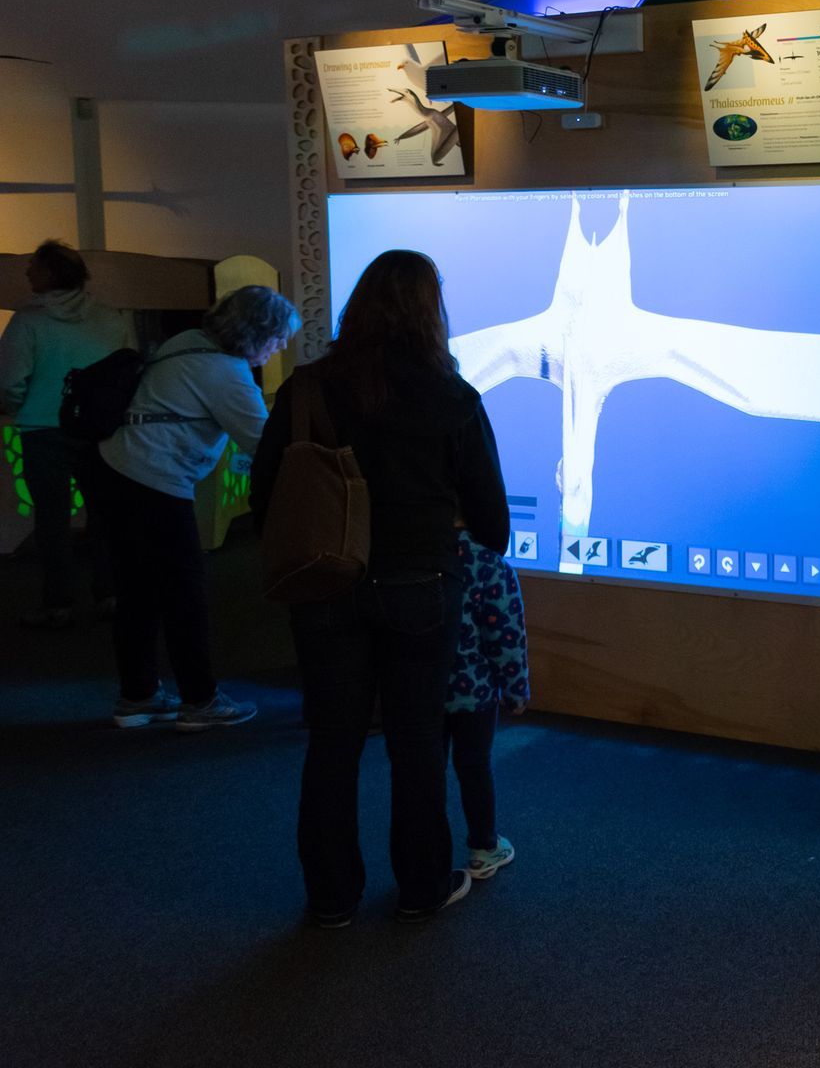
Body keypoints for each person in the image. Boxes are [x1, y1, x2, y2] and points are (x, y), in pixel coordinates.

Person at [251, 250, 509, 926]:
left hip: (324, 583)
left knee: (332, 742)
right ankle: (423, 886)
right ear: (431, 310)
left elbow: (263, 495)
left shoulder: (307, 387)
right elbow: (495, 525)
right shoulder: (453, 396)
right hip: (422, 585)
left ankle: (331, 899)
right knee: (417, 741)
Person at [96, 284, 297, 731]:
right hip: (155, 480)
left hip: (117, 469)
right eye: (279, 336)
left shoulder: (186, 343)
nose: (281, 346)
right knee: (184, 593)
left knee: (138, 591)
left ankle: (137, 696)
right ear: (256, 331)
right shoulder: (225, 371)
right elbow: (266, 446)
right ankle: (200, 701)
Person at [0, 240, 132, 628]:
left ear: (50, 273)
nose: (27, 272)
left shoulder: (27, 322)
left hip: (43, 429)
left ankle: (58, 604)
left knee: (51, 519)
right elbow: (128, 370)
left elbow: (9, 380)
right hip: (99, 430)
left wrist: (21, 406)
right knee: (105, 514)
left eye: (33, 266)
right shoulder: (111, 318)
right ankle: (109, 594)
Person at [447, 527, 530, 882]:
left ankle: (425, 860)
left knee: (422, 773)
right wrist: (516, 689)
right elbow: (506, 637)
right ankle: (484, 848)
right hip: (474, 692)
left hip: (419, 689)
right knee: (474, 767)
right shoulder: (489, 563)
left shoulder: (411, 555)